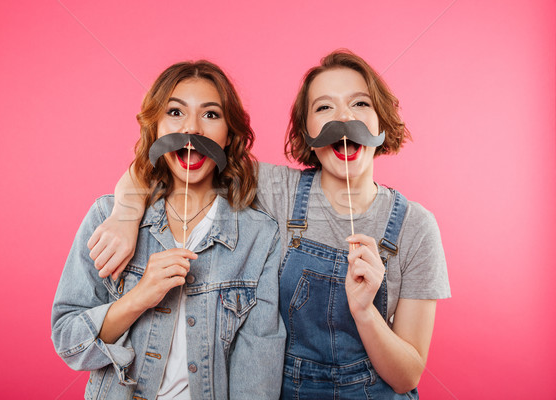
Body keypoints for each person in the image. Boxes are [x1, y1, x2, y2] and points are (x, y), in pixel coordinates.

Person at [89, 50, 450, 399]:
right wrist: (125, 212)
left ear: (380, 121)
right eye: (324, 107)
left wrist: (365, 313)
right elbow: (177, 153)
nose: (343, 120)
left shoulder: (415, 227)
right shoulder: (275, 189)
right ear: (305, 129)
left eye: (360, 104)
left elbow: (408, 376)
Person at [51, 60, 285, 400]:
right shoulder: (107, 216)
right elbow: (69, 343)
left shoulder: (259, 236)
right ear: (156, 128)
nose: (193, 130)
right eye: (175, 113)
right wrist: (138, 298)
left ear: (229, 133)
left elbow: (257, 374)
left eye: (210, 115)